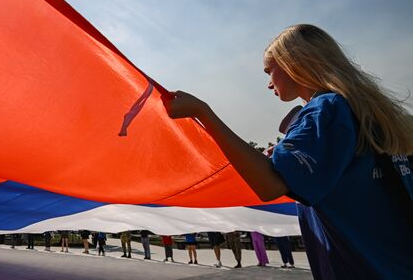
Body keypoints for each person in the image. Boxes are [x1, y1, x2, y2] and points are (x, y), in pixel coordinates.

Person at [164, 24, 413, 279]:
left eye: (269, 71)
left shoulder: (325, 110)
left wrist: (204, 113)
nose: (268, 83)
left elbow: (271, 186)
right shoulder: (368, 113)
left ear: (295, 63)